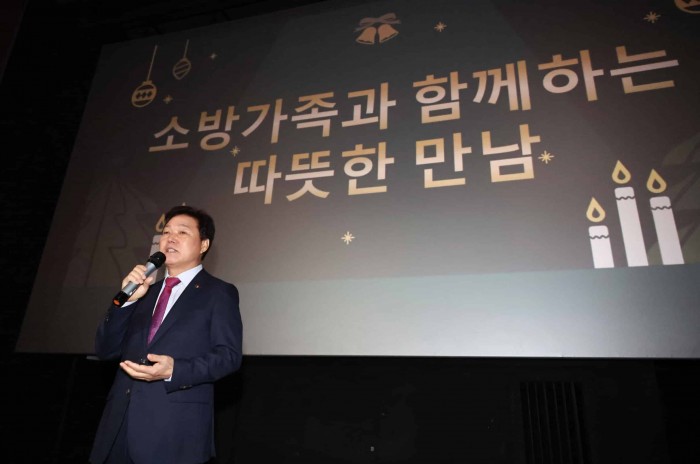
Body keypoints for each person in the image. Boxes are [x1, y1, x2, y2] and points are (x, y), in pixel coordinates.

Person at [89, 205, 243, 464]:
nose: (170, 238)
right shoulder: (143, 292)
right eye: (166, 232)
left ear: (204, 244)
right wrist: (126, 302)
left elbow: (229, 357)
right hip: (117, 429)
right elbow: (106, 350)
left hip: (173, 431)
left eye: (182, 232)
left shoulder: (218, 293)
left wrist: (174, 370)